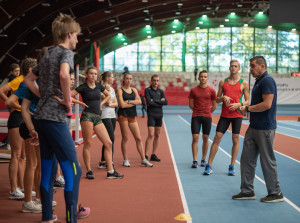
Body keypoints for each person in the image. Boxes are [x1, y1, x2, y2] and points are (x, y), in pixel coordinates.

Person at [24, 13, 83, 223]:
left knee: (48, 168)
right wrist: (67, 100)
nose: (77, 40)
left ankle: (47, 217)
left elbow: (29, 79)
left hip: (41, 116)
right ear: (69, 35)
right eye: (76, 36)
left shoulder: (48, 54)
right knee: (75, 170)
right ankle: (71, 218)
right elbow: (65, 75)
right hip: (54, 119)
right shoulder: (65, 53)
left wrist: (44, 95)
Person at [232, 56, 284, 202]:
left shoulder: (267, 80)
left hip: (264, 128)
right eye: (250, 66)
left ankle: (275, 193)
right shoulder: (259, 81)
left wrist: (247, 108)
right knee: (246, 159)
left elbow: (267, 104)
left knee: (267, 161)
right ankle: (247, 191)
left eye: (253, 66)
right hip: (253, 126)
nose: (251, 68)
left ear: (262, 66)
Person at [72, 66, 123, 180]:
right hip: (87, 117)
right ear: (86, 75)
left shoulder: (99, 86)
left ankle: (110, 171)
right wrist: (80, 103)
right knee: (88, 144)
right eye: (91, 74)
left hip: (97, 117)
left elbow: (108, 95)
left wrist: (102, 103)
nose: (93, 76)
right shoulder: (83, 87)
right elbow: (69, 95)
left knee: (108, 143)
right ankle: (89, 170)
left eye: (95, 74)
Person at [5, 58, 43, 213]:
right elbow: (9, 100)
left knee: (35, 163)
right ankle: (24, 196)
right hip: (24, 122)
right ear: (30, 69)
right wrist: (23, 109)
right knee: (25, 159)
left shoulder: (36, 83)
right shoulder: (23, 82)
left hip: (35, 122)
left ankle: (38, 197)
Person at [203, 59, 249, 176]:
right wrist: (223, 98)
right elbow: (216, 99)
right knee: (217, 137)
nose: (233, 68)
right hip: (225, 115)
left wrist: (240, 104)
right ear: (229, 68)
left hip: (237, 115)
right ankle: (209, 165)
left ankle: (232, 165)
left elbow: (248, 101)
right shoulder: (223, 82)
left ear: (239, 68)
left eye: (235, 66)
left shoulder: (244, 83)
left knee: (235, 139)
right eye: (231, 66)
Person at [0, 62, 27, 200]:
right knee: (16, 154)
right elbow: (0, 90)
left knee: (22, 155)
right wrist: (14, 104)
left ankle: (22, 187)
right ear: (29, 68)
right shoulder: (18, 80)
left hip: (25, 118)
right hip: (16, 117)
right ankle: (13, 189)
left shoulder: (30, 81)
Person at [117, 73, 153, 167]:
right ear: (123, 79)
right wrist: (134, 102)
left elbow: (140, 101)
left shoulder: (134, 90)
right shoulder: (120, 90)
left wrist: (129, 101)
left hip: (132, 115)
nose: (129, 80)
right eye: (127, 79)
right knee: (125, 138)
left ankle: (143, 159)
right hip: (123, 115)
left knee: (138, 138)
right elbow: (122, 105)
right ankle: (125, 159)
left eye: (130, 79)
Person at [188, 70, 217, 168]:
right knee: (195, 138)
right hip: (196, 116)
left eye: (205, 77)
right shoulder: (193, 90)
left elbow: (214, 105)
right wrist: (198, 110)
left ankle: (203, 159)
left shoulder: (212, 91)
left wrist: (208, 112)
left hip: (207, 117)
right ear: (199, 78)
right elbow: (191, 104)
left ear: (207, 78)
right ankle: (195, 160)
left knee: (205, 138)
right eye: (201, 76)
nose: (203, 78)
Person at [144, 74, 168, 162]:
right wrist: (159, 102)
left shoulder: (161, 91)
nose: (156, 82)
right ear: (151, 81)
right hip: (151, 115)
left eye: (157, 80)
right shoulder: (147, 90)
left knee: (157, 135)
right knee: (151, 134)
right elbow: (149, 103)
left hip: (159, 115)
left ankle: (153, 154)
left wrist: (154, 101)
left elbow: (166, 102)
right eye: (154, 80)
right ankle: (145, 155)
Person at [97, 71, 118, 169]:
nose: (113, 79)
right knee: (111, 139)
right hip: (105, 115)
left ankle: (102, 161)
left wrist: (110, 103)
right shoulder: (102, 88)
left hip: (113, 115)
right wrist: (108, 95)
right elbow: (106, 101)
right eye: (112, 77)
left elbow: (116, 103)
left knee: (108, 139)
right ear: (107, 78)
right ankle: (110, 161)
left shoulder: (112, 89)